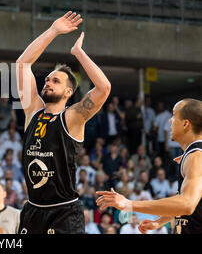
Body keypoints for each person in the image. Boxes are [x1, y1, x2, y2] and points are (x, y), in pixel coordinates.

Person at [15, 12, 111, 234]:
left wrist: (78, 53)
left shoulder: (73, 117)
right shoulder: (33, 111)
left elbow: (104, 88)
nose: (48, 82)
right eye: (47, 79)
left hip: (64, 211)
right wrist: (53, 31)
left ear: (69, 92)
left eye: (55, 80)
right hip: (33, 209)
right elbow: (22, 65)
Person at [96, 98, 202, 234]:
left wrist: (129, 204)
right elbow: (186, 202)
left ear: (186, 124)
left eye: (174, 116)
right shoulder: (193, 155)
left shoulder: (196, 157)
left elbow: (187, 204)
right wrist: (160, 221)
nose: (170, 120)